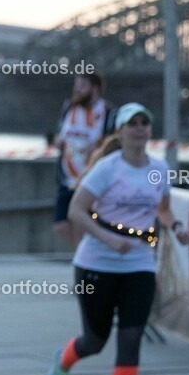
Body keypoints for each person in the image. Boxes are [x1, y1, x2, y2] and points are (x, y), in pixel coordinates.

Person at [46, 103, 189, 375]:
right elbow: (76, 211)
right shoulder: (107, 169)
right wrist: (108, 239)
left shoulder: (158, 169)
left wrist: (177, 226)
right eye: (133, 124)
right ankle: (64, 361)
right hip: (96, 264)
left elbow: (164, 210)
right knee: (94, 342)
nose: (140, 129)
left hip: (139, 264)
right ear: (121, 131)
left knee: (130, 338)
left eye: (145, 123)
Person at [52, 73, 116, 248]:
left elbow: (113, 141)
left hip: (89, 178)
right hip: (67, 176)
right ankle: (79, 253)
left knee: (82, 223)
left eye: (81, 86)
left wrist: (96, 147)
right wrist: (58, 141)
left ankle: (81, 259)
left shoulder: (106, 111)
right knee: (60, 225)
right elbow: (62, 133)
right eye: (76, 85)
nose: (77, 90)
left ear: (94, 88)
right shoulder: (69, 107)